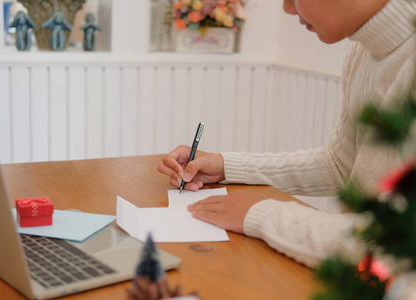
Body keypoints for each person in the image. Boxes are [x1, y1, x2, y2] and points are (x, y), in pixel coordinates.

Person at [158, 0, 416, 268]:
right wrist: (225, 167)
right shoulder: (363, 53)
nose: (288, 9)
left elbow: (395, 243)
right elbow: (340, 166)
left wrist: (260, 214)